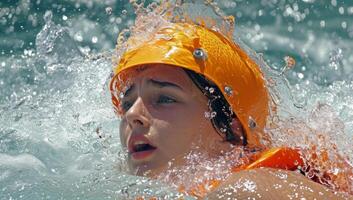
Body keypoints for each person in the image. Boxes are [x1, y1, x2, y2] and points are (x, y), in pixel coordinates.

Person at [109, 20, 352, 199]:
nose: (131, 115)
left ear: (230, 131)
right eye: (127, 103)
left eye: (164, 98)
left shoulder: (250, 188)